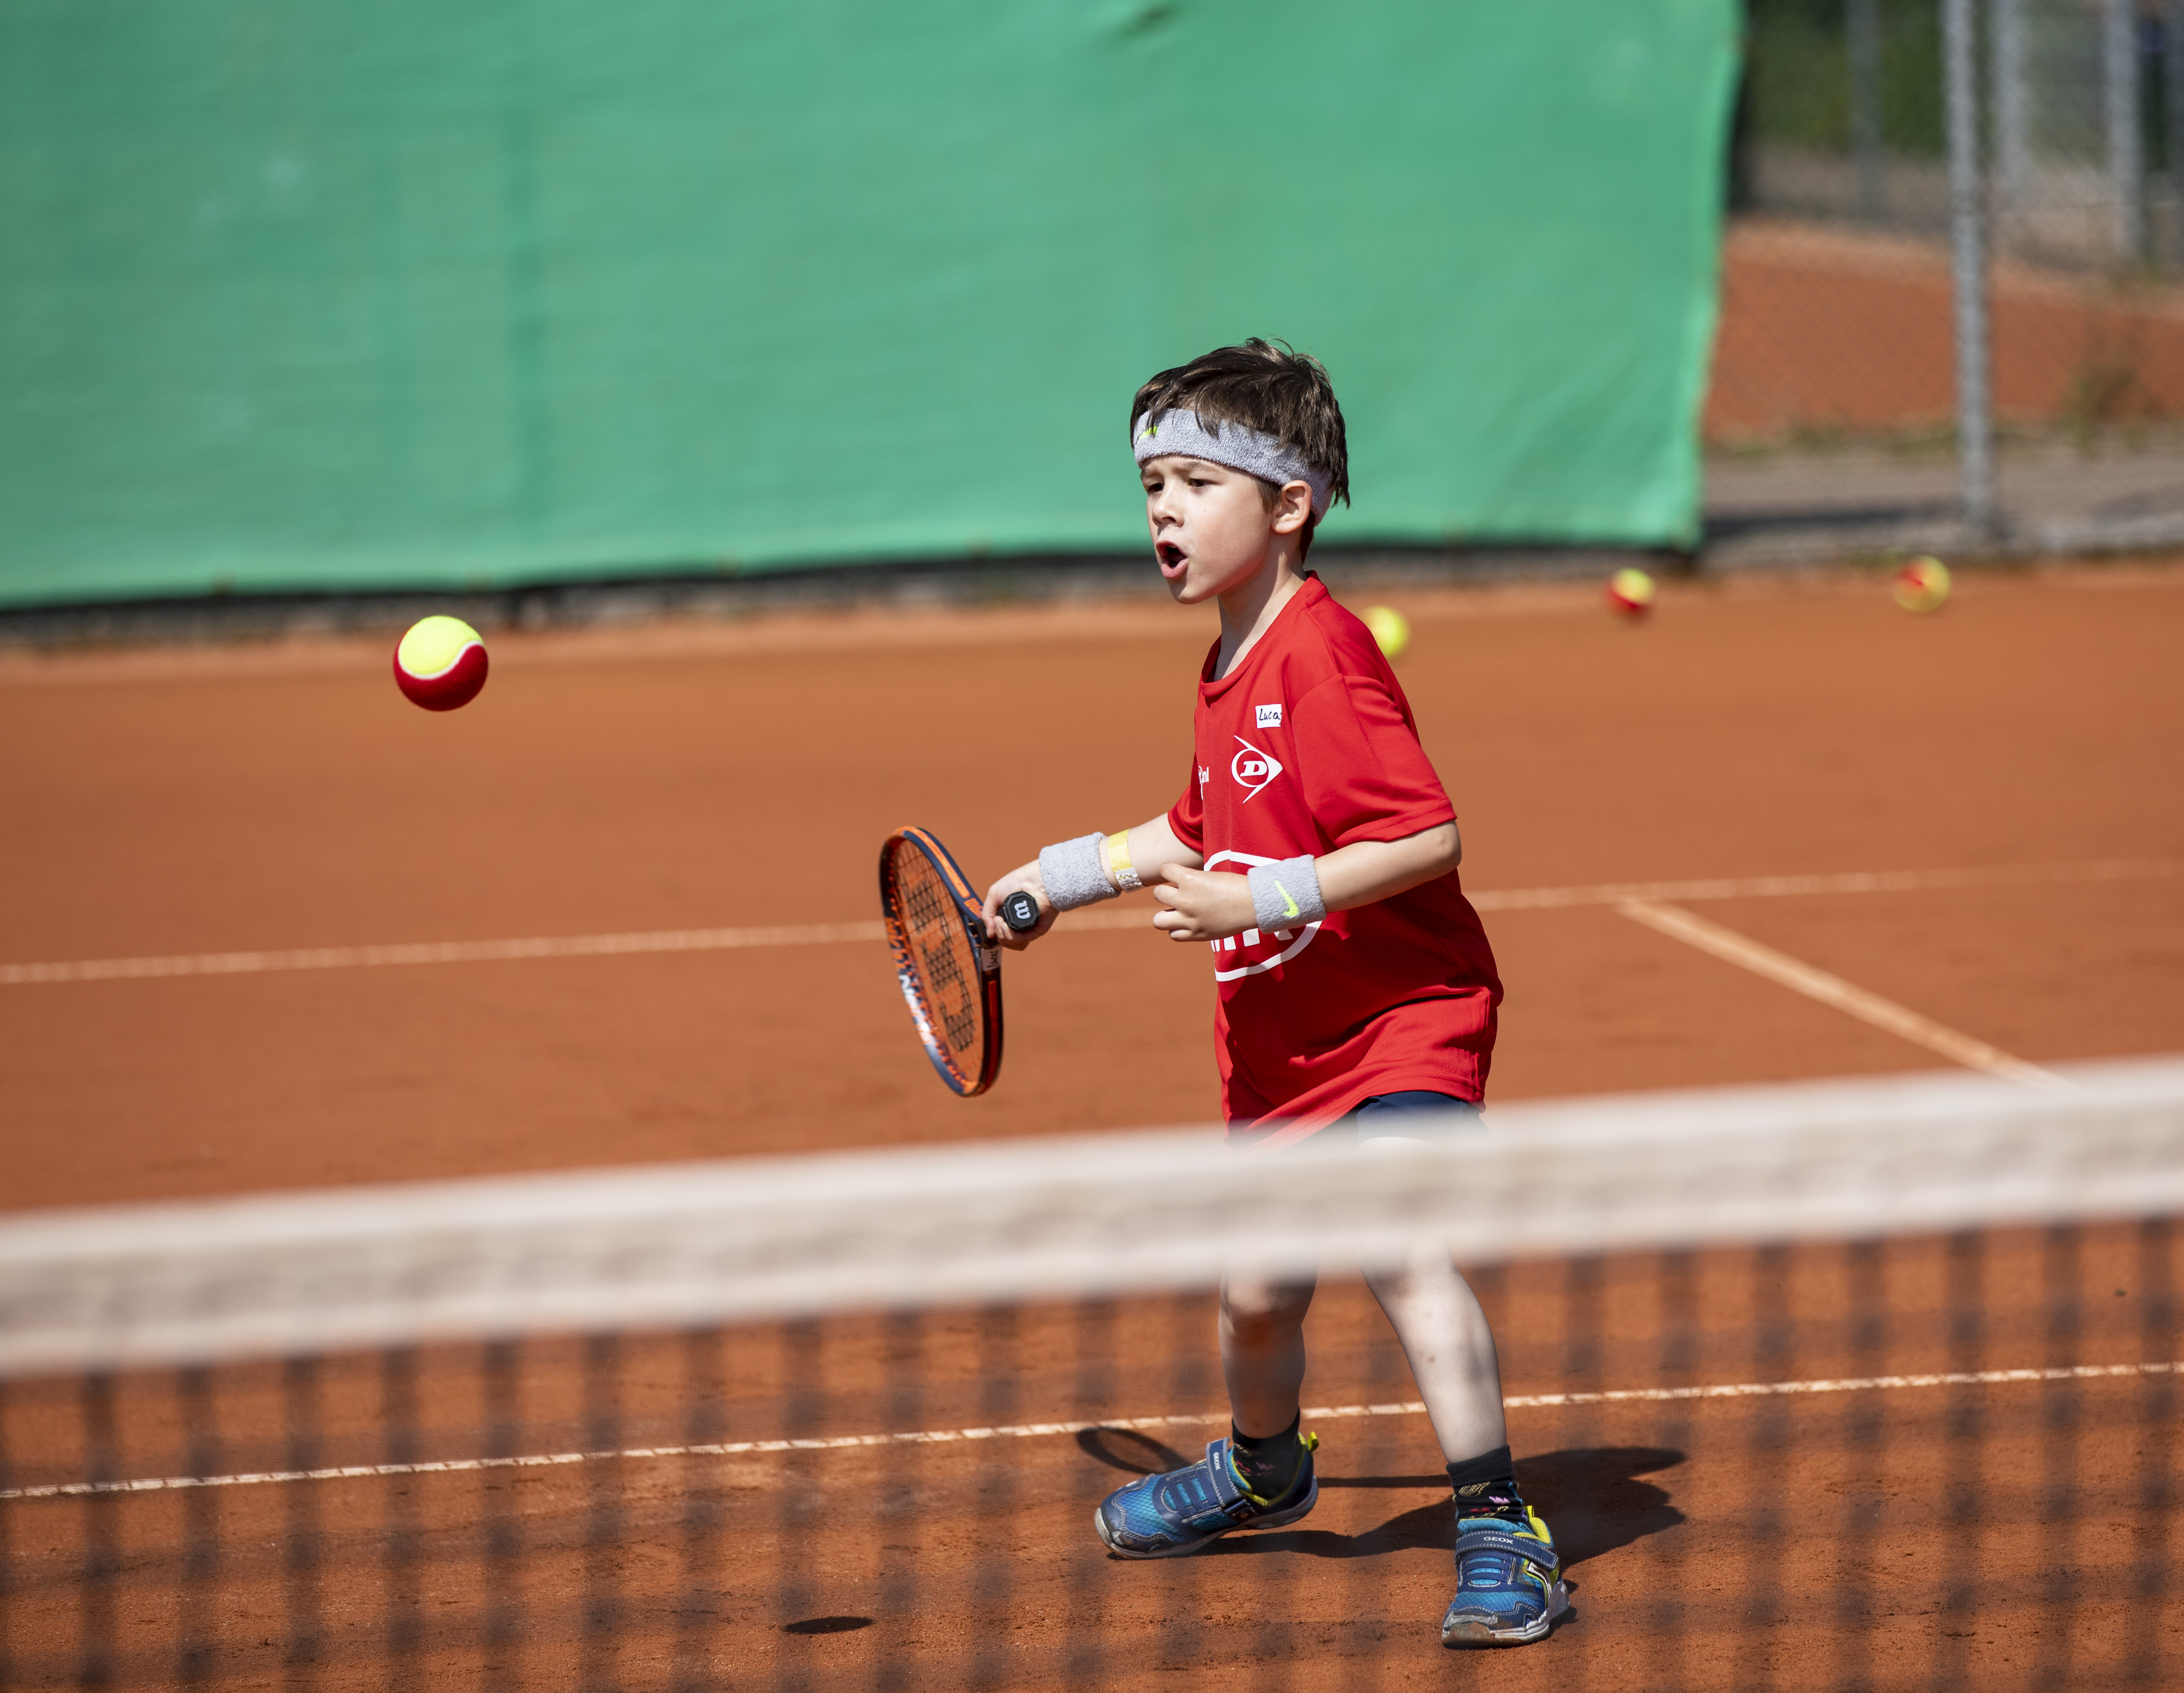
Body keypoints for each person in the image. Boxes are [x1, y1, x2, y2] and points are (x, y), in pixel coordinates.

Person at [981, 339, 1565, 1648]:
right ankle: (1263, 1468)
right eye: (1150, 489)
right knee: (1255, 1293)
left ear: (1287, 503)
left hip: (1400, 1019)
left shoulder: (1322, 653)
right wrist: (1057, 879)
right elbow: (1194, 830)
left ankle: (1499, 1523)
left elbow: (1426, 839)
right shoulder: (1225, 666)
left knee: (1401, 1251)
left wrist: (1266, 900)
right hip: (1279, 1055)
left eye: (1193, 482)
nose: (1162, 513)